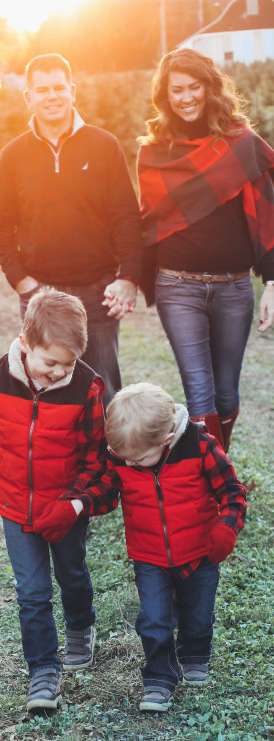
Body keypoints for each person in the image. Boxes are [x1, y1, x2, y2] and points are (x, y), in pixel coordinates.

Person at [0, 287, 106, 714]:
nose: (58, 372)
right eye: (50, 362)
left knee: (71, 574)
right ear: (26, 342)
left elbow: (96, 461)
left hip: (64, 509)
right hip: (15, 506)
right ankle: (44, 672)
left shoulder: (86, 388)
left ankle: (80, 626)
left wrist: (74, 504)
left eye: (67, 364)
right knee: (31, 591)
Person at [37, 383, 247, 712]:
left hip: (201, 553)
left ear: (166, 439)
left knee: (198, 614)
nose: (131, 464)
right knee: (153, 619)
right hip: (149, 556)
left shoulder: (200, 446)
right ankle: (159, 678)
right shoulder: (125, 456)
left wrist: (226, 527)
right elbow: (106, 491)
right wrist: (76, 506)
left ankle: (193, 653)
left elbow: (233, 492)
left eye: (139, 459)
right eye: (125, 458)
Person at [138, 47, 274, 452]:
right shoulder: (154, 152)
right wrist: (129, 275)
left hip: (234, 289)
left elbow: (268, 216)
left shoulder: (242, 145)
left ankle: (218, 468)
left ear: (210, 87)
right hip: (178, 287)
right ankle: (213, 485)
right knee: (200, 394)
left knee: (228, 395)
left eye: (194, 87)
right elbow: (146, 222)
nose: (186, 97)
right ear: (165, 95)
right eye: (176, 89)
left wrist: (272, 281)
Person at [0, 52, 142, 406]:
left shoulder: (104, 145)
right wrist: (23, 284)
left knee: (103, 394)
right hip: (41, 295)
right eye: (42, 90)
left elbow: (126, 217)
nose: (52, 96)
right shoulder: (12, 155)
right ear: (29, 97)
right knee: (47, 393)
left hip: (98, 289)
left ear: (73, 90)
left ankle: (105, 463)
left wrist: (129, 276)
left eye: (59, 87)